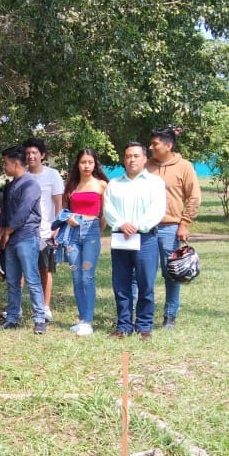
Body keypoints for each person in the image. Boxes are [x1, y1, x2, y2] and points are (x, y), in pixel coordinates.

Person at [103, 142, 167, 339]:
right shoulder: (114, 184)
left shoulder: (155, 183)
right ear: (124, 159)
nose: (132, 160)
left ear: (145, 159)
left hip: (145, 238)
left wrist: (137, 225)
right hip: (121, 238)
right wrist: (122, 224)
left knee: (145, 282)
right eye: (128, 156)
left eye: (136, 156)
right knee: (120, 283)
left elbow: (157, 209)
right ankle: (123, 325)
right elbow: (108, 208)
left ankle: (144, 326)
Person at [147, 127, 202, 329]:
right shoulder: (146, 166)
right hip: (145, 229)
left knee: (171, 273)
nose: (150, 147)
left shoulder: (184, 166)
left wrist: (184, 223)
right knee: (142, 274)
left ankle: (169, 316)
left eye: (155, 144)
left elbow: (194, 197)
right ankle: (141, 314)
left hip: (170, 229)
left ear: (168, 145)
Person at [56, 149, 108, 337]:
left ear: (95, 164)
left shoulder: (101, 184)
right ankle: (82, 319)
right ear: (77, 164)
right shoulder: (71, 185)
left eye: (90, 162)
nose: (86, 166)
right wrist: (68, 218)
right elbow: (64, 210)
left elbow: (105, 214)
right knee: (76, 277)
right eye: (83, 162)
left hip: (91, 232)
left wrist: (97, 229)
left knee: (87, 277)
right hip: (72, 234)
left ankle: (88, 321)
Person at [0, 146, 47, 334]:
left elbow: (23, 212)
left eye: (6, 163)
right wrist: (3, 232)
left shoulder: (30, 184)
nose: (4, 167)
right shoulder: (10, 185)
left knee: (32, 278)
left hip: (26, 236)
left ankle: (39, 319)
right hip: (11, 239)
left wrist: (7, 232)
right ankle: (12, 317)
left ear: (16, 164)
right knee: (12, 280)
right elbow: (5, 213)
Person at [24, 138, 64, 321]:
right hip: (25, 231)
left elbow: (58, 204)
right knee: (22, 270)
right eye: (27, 153)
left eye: (34, 153)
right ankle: (16, 307)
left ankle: (45, 307)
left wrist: (57, 227)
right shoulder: (23, 175)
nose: (31, 156)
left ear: (42, 155)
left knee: (45, 269)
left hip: (46, 231)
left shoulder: (52, 175)